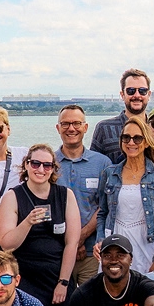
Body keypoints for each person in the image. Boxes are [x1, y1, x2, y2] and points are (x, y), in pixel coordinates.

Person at [0, 143, 83, 306]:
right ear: (26, 165)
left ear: (53, 169)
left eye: (47, 165)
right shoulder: (13, 196)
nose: (41, 169)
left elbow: (72, 242)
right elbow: (6, 244)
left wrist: (63, 282)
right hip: (25, 278)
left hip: (57, 276)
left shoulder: (65, 195)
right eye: (35, 163)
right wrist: (27, 222)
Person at [93, 116, 154, 273]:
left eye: (137, 138)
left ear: (146, 141)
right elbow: (103, 213)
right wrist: (100, 240)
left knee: (147, 294)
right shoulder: (109, 173)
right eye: (126, 137)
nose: (131, 142)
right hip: (114, 242)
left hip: (147, 244)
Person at [56, 104, 113, 285]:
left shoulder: (102, 163)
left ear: (85, 127)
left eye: (76, 123)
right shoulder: (48, 163)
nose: (71, 128)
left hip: (91, 253)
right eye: (65, 124)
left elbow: (105, 206)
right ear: (58, 128)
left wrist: (80, 239)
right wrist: (70, 244)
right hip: (57, 252)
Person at [91, 68, 153, 162]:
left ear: (148, 95)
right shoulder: (104, 128)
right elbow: (94, 165)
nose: (137, 95)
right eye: (131, 91)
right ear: (122, 95)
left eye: (142, 91)